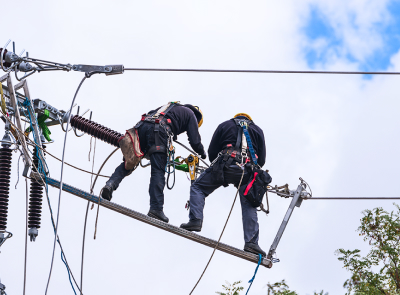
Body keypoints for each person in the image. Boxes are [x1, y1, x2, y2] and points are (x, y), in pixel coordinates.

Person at [180, 113, 269, 257]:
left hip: (225, 165)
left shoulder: (225, 125)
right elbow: (262, 159)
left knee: (198, 187)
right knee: (250, 203)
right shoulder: (257, 130)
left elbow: (212, 152)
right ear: (249, 120)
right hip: (247, 172)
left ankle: (195, 220)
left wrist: (219, 173)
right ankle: (252, 242)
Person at [101, 102, 206, 223]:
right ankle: (156, 209)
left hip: (141, 128)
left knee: (129, 163)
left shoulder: (169, 107)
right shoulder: (192, 114)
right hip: (159, 131)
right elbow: (195, 141)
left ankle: (110, 185)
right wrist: (202, 154)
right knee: (158, 171)